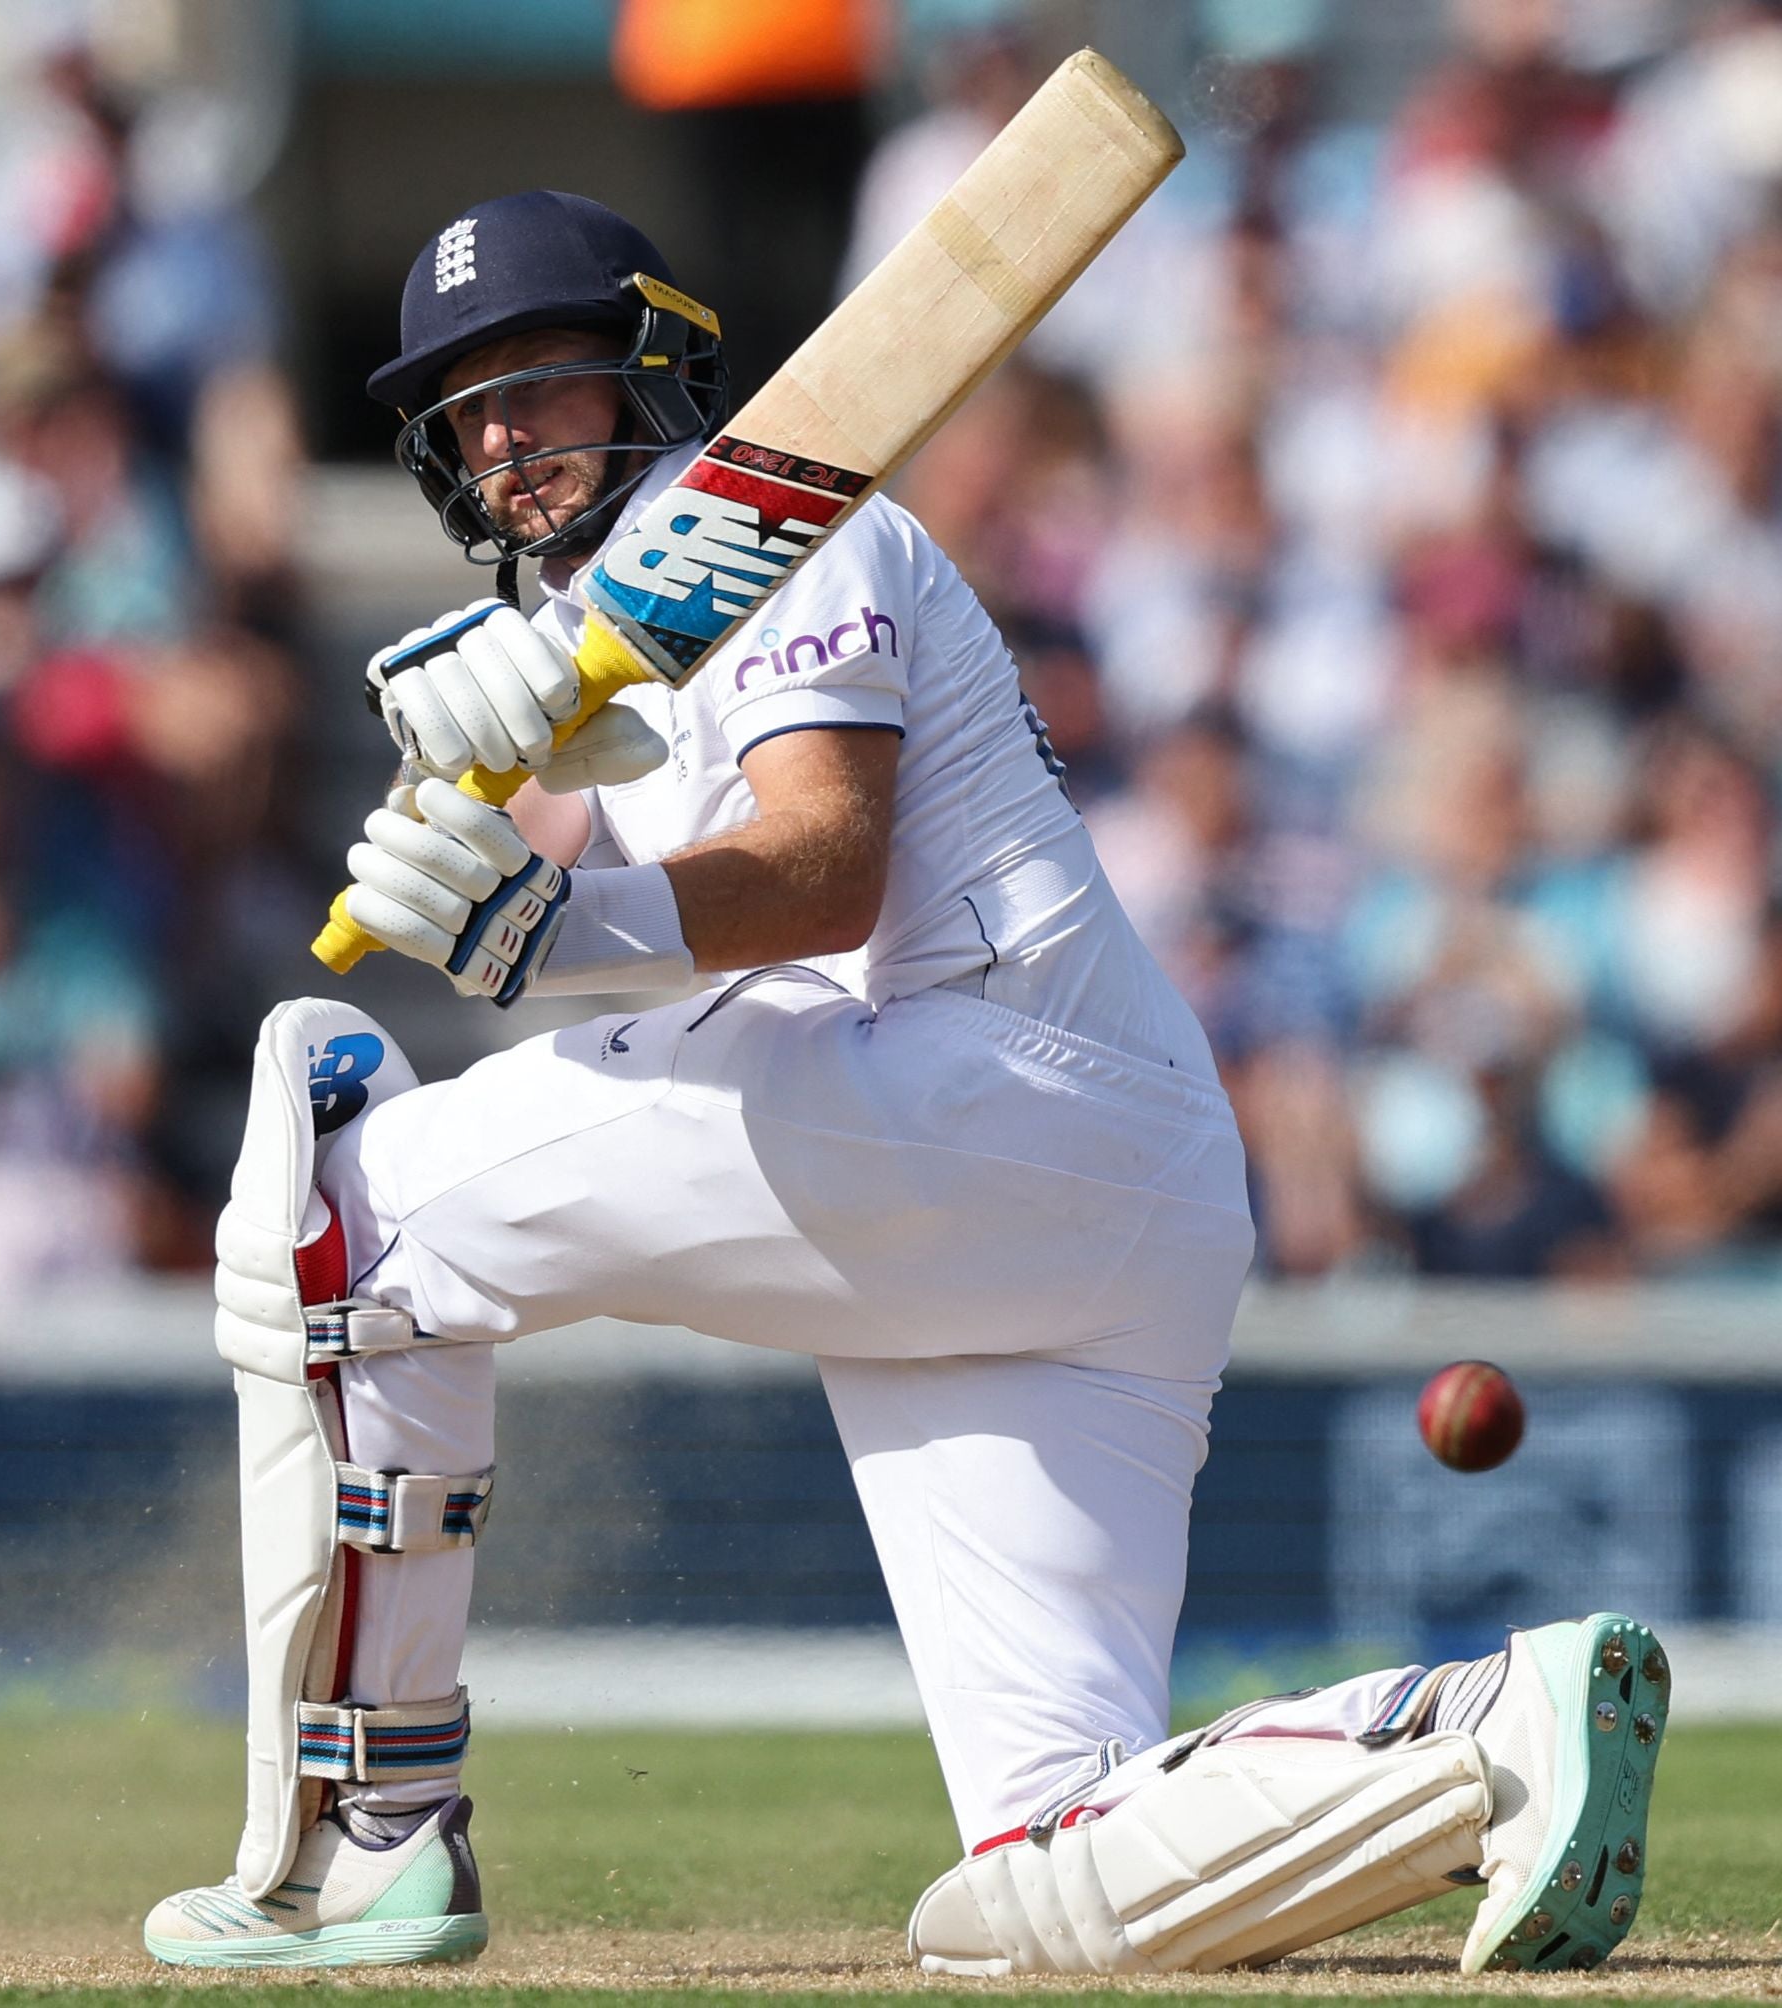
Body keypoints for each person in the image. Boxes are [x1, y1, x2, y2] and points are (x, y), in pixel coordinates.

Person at [140, 192, 1670, 1977]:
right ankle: (1490, 1734)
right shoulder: (606, 624)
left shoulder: (798, 532)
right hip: (1066, 1192)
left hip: (985, 1076)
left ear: (648, 370)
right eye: (461, 409)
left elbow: (820, 871)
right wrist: (475, 782)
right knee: (1037, 1877)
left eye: (536, 384)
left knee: (353, 1203)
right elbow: (593, 836)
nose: (498, 434)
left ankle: (367, 1837)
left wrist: (539, 927)